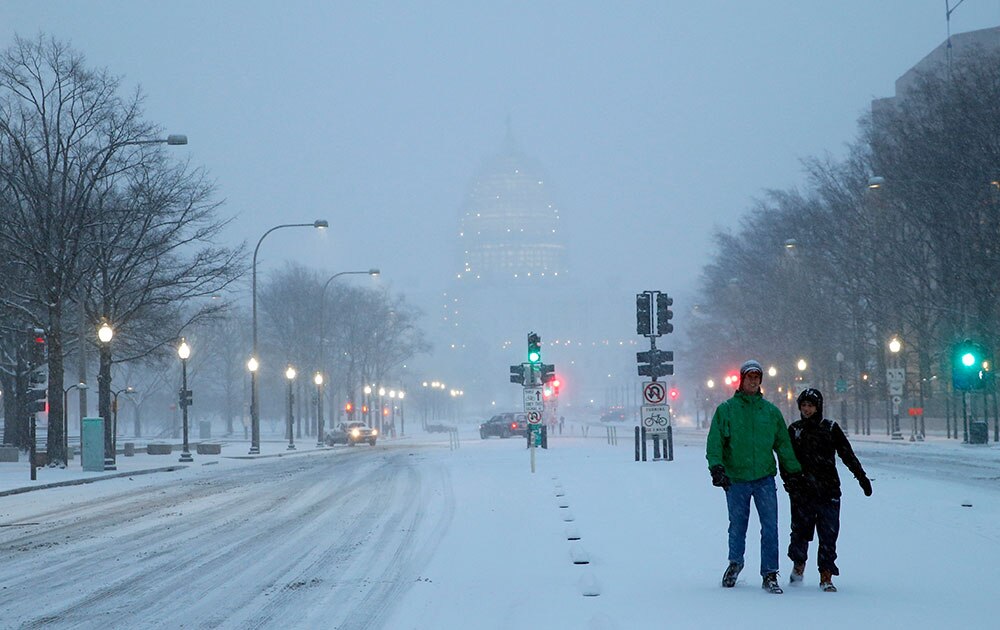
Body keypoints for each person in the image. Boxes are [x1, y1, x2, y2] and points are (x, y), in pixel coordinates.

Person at [706, 359, 803, 594]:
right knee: (737, 526)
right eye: (749, 376)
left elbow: (783, 444)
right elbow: (715, 442)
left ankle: (770, 573)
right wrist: (717, 467)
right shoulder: (726, 410)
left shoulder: (770, 413)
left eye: (756, 377)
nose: (753, 380)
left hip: (764, 479)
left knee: (770, 527)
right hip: (736, 479)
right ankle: (735, 563)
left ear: (760, 380)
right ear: (742, 379)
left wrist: (793, 472)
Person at [784, 388, 873, 592]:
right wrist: (790, 483)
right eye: (803, 405)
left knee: (828, 535)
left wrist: (861, 477)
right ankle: (798, 566)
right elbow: (786, 460)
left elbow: (846, 454)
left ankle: (826, 574)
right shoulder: (794, 430)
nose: (807, 409)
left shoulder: (830, 428)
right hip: (802, 492)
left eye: (810, 405)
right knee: (799, 532)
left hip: (828, 491)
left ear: (818, 407)